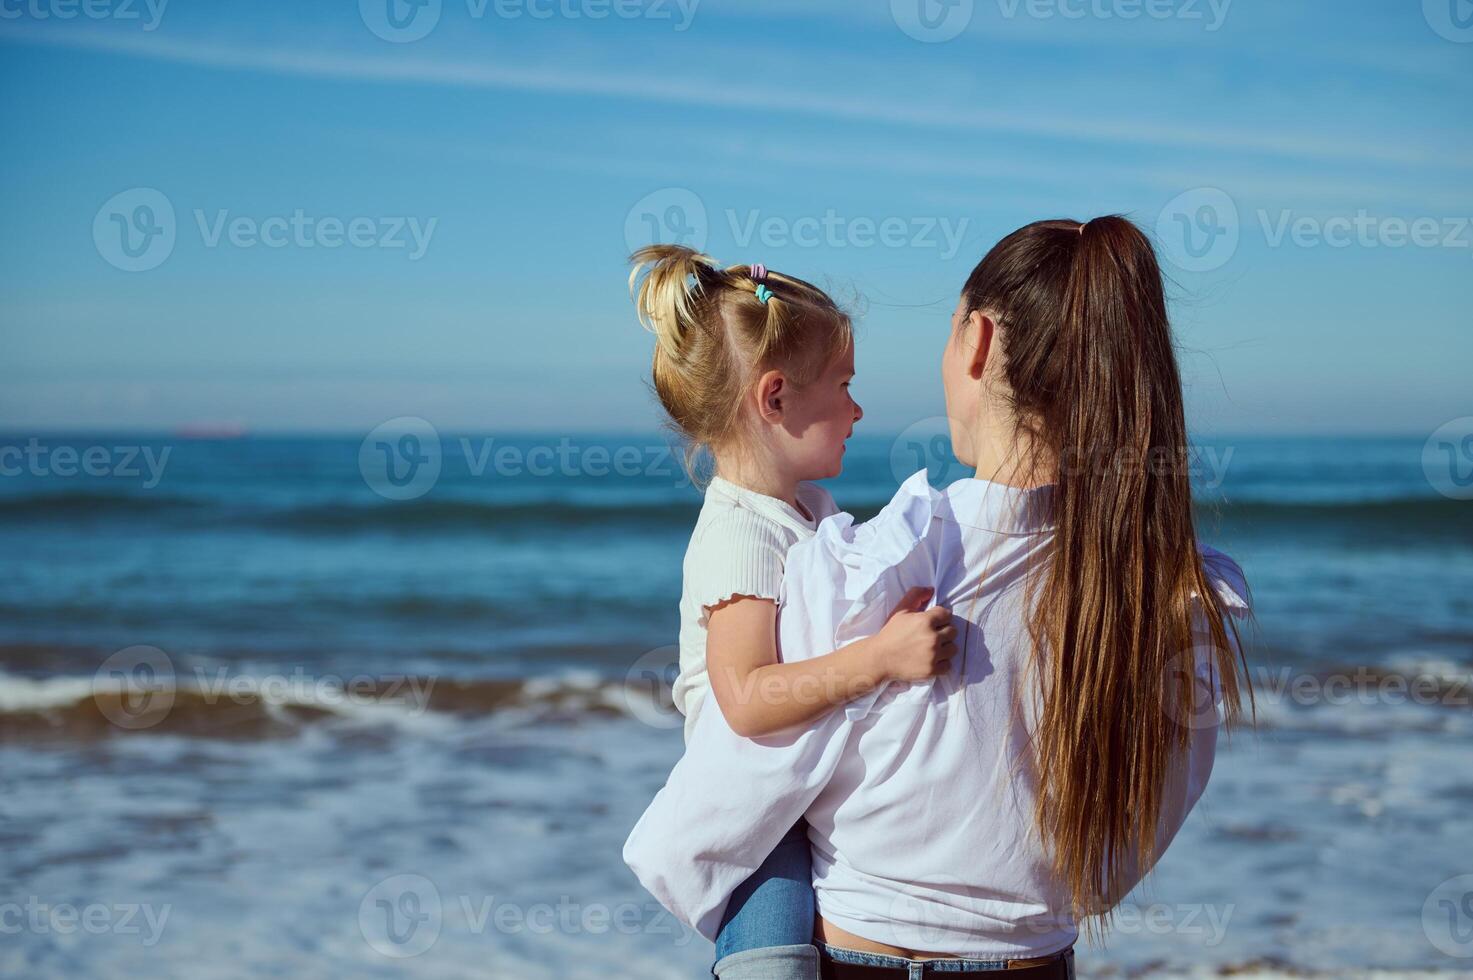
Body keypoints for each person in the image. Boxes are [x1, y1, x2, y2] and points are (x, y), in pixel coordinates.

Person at [626, 217, 1253, 980]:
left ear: (979, 341)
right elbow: (1111, 866)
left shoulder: (863, 569)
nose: (856, 408)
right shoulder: (1181, 595)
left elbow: (744, 789)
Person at [628, 246, 957, 978]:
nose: (857, 407)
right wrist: (877, 659)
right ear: (774, 398)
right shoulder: (741, 535)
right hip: (756, 813)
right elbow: (745, 699)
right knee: (775, 963)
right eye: (842, 385)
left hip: (799, 783)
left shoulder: (802, 510)